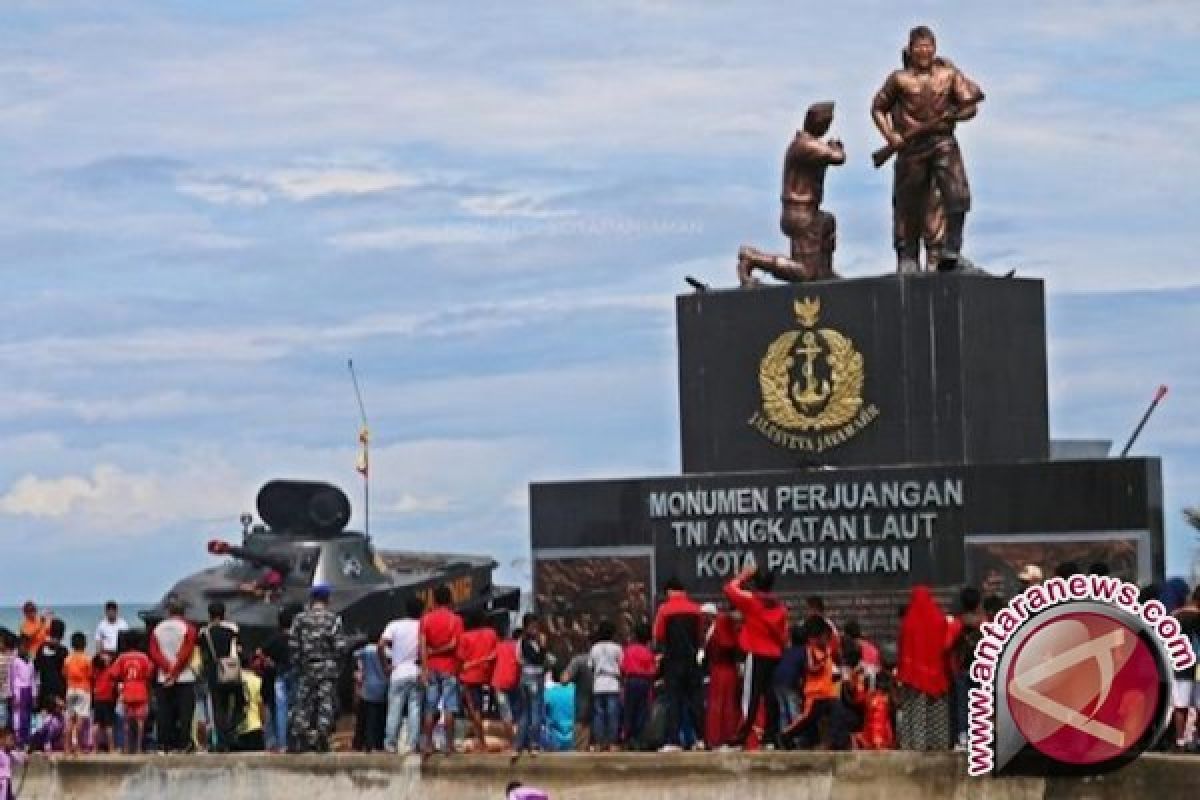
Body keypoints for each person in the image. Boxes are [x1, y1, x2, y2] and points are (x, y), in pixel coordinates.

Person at [871, 25, 983, 273]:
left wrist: (956, 115)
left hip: (943, 142)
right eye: (919, 46)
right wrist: (891, 136)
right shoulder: (899, 79)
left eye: (929, 46)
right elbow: (878, 108)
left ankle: (951, 250)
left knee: (958, 195)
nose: (924, 51)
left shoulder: (948, 75)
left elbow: (970, 105)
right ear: (910, 50)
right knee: (909, 204)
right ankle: (908, 256)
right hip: (911, 149)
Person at [724, 564, 788, 749]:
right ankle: (772, 733)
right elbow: (783, 635)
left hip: (757, 652)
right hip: (774, 654)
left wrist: (743, 575)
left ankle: (743, 734)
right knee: (769, 693)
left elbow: (729, 589)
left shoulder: (752, 601)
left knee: (752, 696)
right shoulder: (780, 608)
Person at [288, 584, 346, 753]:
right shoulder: (333, 619)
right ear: (327, 599)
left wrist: (299, 664)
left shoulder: (300, 619)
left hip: (307, 666)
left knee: (303, 702)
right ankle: (322, 735)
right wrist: (337, 665)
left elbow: (293, 645)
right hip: (327, 666)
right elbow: (340, 646)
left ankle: (300, 736)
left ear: (312, 599)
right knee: (325, 703)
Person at [652, 578, 706, 751]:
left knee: (673, 700)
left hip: (673, 661)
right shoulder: (696, 609)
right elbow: (700, 636)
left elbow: (658, 634)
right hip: (691, 660)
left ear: (669, 591)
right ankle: (701, 739)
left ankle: (674, 741)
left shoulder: (664, 610)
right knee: (695, 700)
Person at [896, 586, 951, 750]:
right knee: (937, 711)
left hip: (913, 675)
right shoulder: (939, 619)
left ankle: (914, 745)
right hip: (936, 673)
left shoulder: (909, 622)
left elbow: (903, 648)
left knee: (914, 710)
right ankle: (939, 745)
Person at [148, 593, 198, 753]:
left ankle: (164, 744)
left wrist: (167, 669)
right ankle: (184, 744)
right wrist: (175, 672)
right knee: (185, 714)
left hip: (163, 677)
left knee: (164, 713)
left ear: (168, 612)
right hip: (184, 677)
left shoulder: (158, 628)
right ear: (183, 612)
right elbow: (186, 652)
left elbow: (154, 652)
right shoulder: (188, 628)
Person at [419, 586, 465, 757]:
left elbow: (423, 646)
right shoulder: (456, 620)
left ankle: (428, 744)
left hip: (431, 668)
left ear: (435, 601)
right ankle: (449, 745)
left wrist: (424, 667)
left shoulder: (426, 619)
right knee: (449, 708)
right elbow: (455, 645)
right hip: (449, 668)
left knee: (430, 708)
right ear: (450, 599)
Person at [380, 596, 424, 754]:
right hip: (416, 671)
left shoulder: (394, 625)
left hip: (397, 673)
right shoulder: (422, 626)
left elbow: (381, 644)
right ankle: (413, 745)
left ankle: (390, 744)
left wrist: (385, 665)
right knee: (415, 709)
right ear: (422, 610)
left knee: (394, 710)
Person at [200, 602, 243, 753]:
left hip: (214, 672)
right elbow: (239, 649)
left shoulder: (205, 633)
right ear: (224, 613)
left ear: (209, 615)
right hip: (232, 670)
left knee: (218, 707)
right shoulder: (233, 629)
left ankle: (221, 741)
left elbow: (203, 656)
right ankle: (232, 734)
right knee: (236, 704)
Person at [945, 587, 985, 748]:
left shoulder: (956, 623)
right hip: (980, 668)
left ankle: (963, 736)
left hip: (960, 668)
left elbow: (946, 645)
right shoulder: (984, 622)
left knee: (962, 704)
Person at [459, 609, 500, 753]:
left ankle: (481, 741)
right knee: (483, 709)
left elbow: (461, 660)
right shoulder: (491, 633)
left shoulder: (464, 637)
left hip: (469, 677)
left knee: (473, 709)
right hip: (489, 676)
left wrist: (473, 663)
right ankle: (480, 738)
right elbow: (496, 653)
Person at [703, 604, 742, 749]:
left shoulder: (716, 628)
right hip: (728, 671)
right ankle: (727, 736)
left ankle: (714, 738)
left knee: (717, 706)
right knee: (728, 705)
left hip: (717, 671)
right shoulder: (729, 628)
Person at [259, 605, 297, 752]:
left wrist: (270, 662)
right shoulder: (296, 638)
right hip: (294, 673)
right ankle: (294, 740)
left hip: (279, 674)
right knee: (294, 708)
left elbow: (260, 652)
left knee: (280, 710)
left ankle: (282, 743)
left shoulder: (275, 638)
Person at [111, 632, 154, 754]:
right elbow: (150, 673)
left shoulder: (122, 657)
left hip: (127, 690)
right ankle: (139, 747)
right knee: (140, 721)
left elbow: (113, 674)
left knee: (127, 721)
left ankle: (126, 747)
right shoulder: (144, 657)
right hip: (141, 689)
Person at [1170, 584, 1200, 750]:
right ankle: (1196, 740)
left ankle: (1180, 741)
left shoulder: (1176, 615)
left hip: (1181, 665)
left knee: (1180, 706)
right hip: (1198, 666)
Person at [514, 614, 547, 759]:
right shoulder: (527, 642)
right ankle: (533, 744)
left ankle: (519, 745)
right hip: (533, 677)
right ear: (527, 627)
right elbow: (537, 659)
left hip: (525, 677)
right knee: (535, 711)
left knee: (525, 712)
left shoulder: (522, 642)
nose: (536, 630)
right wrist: (543, 647)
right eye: (533, 627)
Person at [619, 623, 656, 749]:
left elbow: (623, 668)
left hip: (631, 680)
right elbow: (652, 671)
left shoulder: (628, 650)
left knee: (629, 710)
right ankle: (639, 738)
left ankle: (628, 738)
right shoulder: (648, 652)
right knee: (642, 711)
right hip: (644, 682)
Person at [588, 619, 622, 752]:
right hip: (612, 683)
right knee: (612, 715)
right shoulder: (617, 648)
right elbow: (622, 664)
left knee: (599, 715)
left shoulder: (594, 648)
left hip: (598, 683)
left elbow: (591, 666)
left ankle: (598, 743)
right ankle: (612, 743)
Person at [352, 641, 389, 752]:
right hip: (382, 688)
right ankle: (378, 744)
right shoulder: (386, 651)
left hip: (367, 688)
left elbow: (355, 656)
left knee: (365, 719)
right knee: (379, 719)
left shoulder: (364, 651)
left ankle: (365, 744)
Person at [490, 620, 521, 751]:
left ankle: (512, 743)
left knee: (506, 715)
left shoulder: (499, 646)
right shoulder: (519, 647)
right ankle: (518, 742)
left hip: (499, 685)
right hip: (515, 683)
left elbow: (490, 658)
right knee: (518, 715)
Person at [63, 632, 93, 755]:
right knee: (80, 719)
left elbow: (64, 674)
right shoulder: (87, 658)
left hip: (70, 689)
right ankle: (78, 747)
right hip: (84, 689)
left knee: (70, 719)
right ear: (84, 644)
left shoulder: (67, 659)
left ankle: (66, 747)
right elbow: (91, 675)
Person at [773, 624, 806, 734]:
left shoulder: (787, 651)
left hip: (777, 680)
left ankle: (783, 734)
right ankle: (795, 736)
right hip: (790, 682)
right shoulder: (804, 651)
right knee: (793, 709)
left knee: (783, 710)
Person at [235, 656, 266, 752]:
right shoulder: (258, 680)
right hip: (255, 725)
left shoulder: (234, 681)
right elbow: (260, 704)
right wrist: (263, 722)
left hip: (239, 727)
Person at [8, 639, 33, 748]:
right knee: (19, 715)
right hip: (19, 690)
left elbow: (32, 678)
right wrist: (14, 693)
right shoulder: (15, 661)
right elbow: (12, 678)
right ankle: (19, 741)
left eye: (26, 647)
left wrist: (34, 694)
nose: (24, 649)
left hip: (29, 690)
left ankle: (26, 740)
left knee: (28, 716)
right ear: (18, 648)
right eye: (22, 647)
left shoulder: (30, 661)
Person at [541, 669, 575, 752]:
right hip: (574, 735)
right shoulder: (576, 691)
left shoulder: (549, 692)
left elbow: (542, 713)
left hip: (554, 736)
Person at [91, 650, 117, 753]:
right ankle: (111, 748)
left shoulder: (95, 671)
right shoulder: (111, 670)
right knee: (108, 725)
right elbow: (115, 683)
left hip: (97, 699)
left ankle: (94, 748)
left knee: (96, 724)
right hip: (108, 699)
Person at [0, 725, 25, 800]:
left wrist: (25, 758)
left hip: (7, 783)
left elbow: (19, 758)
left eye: (14, 740)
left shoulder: (9, 753)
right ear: (2, 740)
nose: (13, 743)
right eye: (10, 740)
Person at [0, 633, 13, 733]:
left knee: (6, 718)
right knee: (4, 718)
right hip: (5, 693)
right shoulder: (12, 656)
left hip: (7, 692)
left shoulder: (11, 657)